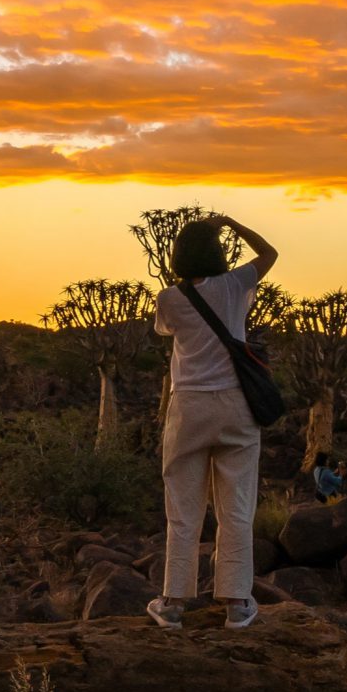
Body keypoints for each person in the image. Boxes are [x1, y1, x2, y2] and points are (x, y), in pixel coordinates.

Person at [148, 213, 276, 629]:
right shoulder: (237, 284)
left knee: (182, 509)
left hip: (189, 408)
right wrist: (234, 224)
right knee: (236, 507)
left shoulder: (169, 298)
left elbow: (166, 331)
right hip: (236, 405)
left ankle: (172, 604)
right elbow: (270, 253)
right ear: (220, 251)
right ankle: (238, 604)